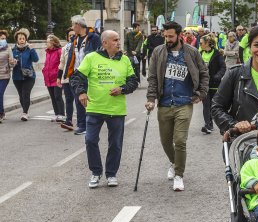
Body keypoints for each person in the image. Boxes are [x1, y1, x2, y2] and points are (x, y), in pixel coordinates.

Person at [144, 21, 209, 191]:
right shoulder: (158, 52)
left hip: (184, 102)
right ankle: (174, 162)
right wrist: (151, 98)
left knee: (179, 140)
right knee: (166, 142)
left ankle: (179, 175)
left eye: (171, 36)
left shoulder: (192, 52)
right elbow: (152, 77)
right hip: (164, 103)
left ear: (180, 35)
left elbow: (203, 73)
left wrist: (201, 93)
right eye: (165, 36)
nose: (167, 39)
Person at [70, 30, 138, 188]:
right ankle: (96, 172)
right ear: (105, 43)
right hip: (95, 107)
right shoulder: (91, 58)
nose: (118, 42)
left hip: (116, 110)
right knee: (90, 140)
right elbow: (76, 77)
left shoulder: (125, 60)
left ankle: (111, 174)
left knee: (115, 144)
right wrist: (81, 92)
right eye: (115, 40)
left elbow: (133, 82)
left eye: (119, 39)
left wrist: (122, 89)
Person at [63, 15, 101, 135]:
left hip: (89, 74)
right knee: (78, 100)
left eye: (73, 25)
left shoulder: (94, 37)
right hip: (76, 73)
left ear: (78, 25)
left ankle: (91, 123)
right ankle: (82, 125)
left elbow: (99, 54)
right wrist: (67, 73)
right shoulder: (74, 39)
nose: (72, 27)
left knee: (89, 100)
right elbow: (71, 56)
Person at [199, 34, 226, 134]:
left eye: (201, 43)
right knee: (206, 105)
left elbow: (223, 68)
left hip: (215, 84)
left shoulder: (217, 54)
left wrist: (217, 76)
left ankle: (216, 124)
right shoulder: (200, 53)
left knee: (213, 105)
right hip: (204, 84)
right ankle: (207, 124)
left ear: (207, 43)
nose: (200, 44)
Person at [11, 28, 39, 121]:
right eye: (20, 39)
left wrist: (32, 49)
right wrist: (12, 63)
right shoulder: (13, 50)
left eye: (23, 38)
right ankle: (24, 110)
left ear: (26, 39)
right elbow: (9, 64)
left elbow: (36, 59)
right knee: (21, 95)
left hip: (29, 76)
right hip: (17, 76)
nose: (22, 40)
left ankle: (25, 113)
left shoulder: (29, 49)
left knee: (25, 94)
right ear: (17, 40)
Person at [43, 35, 64, 122]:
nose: (46, 44)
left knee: (58, 96)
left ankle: (62, 115)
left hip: (57, 78)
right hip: (48, 78)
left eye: (47, 42)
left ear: (53, 43)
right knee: (53, 97)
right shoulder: (47, 52)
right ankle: (56, 114)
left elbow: (62, 64)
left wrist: (59, 76)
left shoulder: (59, 51)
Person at [57, 28, 76, 130]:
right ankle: (68, 120)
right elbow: (62, 63)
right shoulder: (65, 48)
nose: (72, 37)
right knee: (68, 100)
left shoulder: (79, 47)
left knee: (79, 100)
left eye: (74, 35)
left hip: (76, 78)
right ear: (67, 37)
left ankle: (85, 120)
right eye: (70, 36)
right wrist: (58, 77)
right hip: (66, 78)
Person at [0, 30, 13, 123]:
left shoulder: (8, 48)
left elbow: (11, 64)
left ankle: (0, 113)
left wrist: (12, 63)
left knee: (0, 93)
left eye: (4, 38)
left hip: (5, 75)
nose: (3, 40)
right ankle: (3, 111)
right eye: (1, 38)